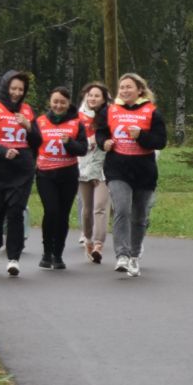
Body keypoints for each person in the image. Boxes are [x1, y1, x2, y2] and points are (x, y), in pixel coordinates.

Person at [96, 72, 167, 277]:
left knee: (139, 216)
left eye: (129, 87)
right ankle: (122, 255)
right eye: (122, 87)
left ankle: (135, 255)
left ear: (139, 90)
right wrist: (104, 143)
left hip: (144, 170)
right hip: (118, 168)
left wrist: (141, 136)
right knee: (122, 209)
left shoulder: (152, 112)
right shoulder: (110, 111)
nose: (125, 91)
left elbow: (160, 141)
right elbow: (101, 132)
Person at [0, 70, 37, 277]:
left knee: (16, 212)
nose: (17, 93)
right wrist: (3, 151)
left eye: (21, 89)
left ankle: (13, 258)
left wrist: (29, 127)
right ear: (5, 88)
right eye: (13, 88)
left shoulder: (28, 111)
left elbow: (37, 141)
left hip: (21, 170)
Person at [33, 86, 90, 270]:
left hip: (68, 173)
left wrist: (69, 143)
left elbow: (82, 149)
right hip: (45, 174)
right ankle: (46, 252)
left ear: (68, 104)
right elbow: (31, 144)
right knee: (51, 211)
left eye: (62, 102)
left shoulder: (76, 123)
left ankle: (58, 254)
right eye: (55, 101)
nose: (58, 105)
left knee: (63, 214)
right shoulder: (40, 121)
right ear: (50, 102)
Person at [75, 81, 111, 264]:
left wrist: (104, 141)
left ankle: (98, 245)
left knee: (100, 207)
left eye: (97, 95)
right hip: (84, 166)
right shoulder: (79, 116)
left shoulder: (111, 115)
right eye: (90, 95)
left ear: (104, 98)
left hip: (104, 168)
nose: (93, 98)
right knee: (87, 210)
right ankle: (88, 239)